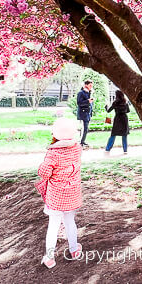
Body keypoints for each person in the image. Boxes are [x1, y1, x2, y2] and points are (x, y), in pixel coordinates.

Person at [37, 118, 82, 268]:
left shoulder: (53, 153)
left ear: (55, 134)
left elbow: (44, 173)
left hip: (56, 197)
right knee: (70, 222)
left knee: (53, 226)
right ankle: (74, 250)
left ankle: (49, 257)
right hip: (72, 194)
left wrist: (42, 165)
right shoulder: (77, 148)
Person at [104, 90, 130, 155]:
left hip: (117, 119)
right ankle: (125, 150)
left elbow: (108, 111)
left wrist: (106, 106)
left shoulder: (115, 103)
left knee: (113, 134)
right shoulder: (125, 102)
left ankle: (107, 149)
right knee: (124, 135)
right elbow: (128, 111)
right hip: (124, 119)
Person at [76, 80, 94, 149]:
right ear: (86, 85)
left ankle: (82, 141)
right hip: (83, 113)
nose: (91, 87)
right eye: (90, 85)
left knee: (86, 129)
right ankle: (81, 142)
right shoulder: (81, 93)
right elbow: (79, 103)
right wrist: (88, 101)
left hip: (87, 114)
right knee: (84, 128)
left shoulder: (89, 92)